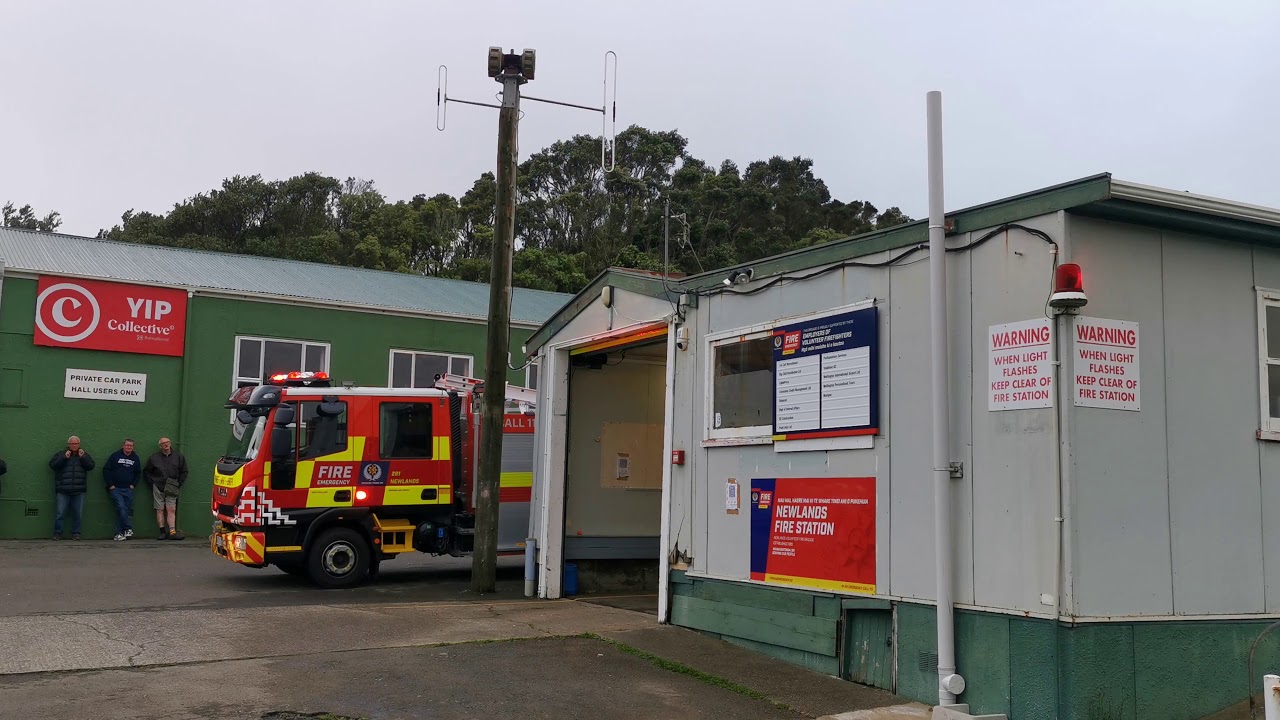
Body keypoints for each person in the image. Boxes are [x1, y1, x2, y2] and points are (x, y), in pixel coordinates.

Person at [49, 436, 94, 540]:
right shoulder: (60, 454)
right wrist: (64, 457)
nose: (74, 445)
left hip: (79, 490)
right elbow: (52, 465)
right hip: (63, 490)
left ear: (79, 444)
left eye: (76, 444)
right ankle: (57, 533)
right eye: (72, 444)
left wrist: (83, 458)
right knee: (60, 513)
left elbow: (91, 466)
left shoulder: (83, 455)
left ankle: (76, 533)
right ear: (68, 445)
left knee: (78, 514)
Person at [145, 437, 188, 540]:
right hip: (158, 486)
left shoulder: (178, 457)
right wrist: (153, 484)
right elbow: (146, 471)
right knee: (159, 509)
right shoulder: (154, 458)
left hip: (173, 486)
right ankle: (162, 532)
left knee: (171, 509)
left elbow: (184, 471)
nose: (166, 444)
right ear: (160, 446)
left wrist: (178, 484)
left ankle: (172, 532)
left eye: (167, 442)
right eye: (163, 443)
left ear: (170, 443)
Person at [104, 438, 142, 541]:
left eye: (131, 446)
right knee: (121, 507)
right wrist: (110, 485)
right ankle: (128, 528)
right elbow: (106, 470)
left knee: (124, 511)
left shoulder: (135, 458)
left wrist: (133, 485)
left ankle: (119, 534)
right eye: (127, 445)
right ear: (123, 446)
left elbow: (138, 473)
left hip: (128, 489)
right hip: (116, 489)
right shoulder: (115, 456)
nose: (129, 447)